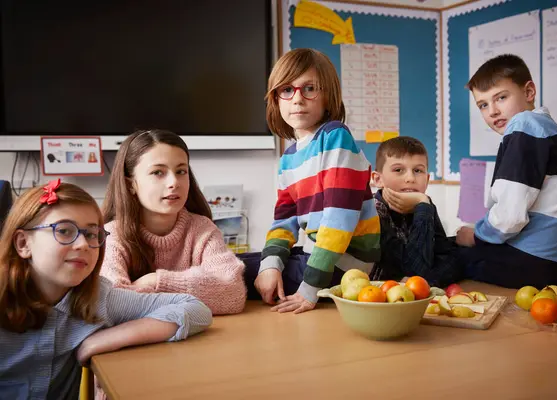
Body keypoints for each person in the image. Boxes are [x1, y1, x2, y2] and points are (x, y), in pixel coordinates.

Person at [0, 180, 211, 399]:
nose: (83, 244)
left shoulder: (98, 299)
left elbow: (196, 309)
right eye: (64, 230)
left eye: (92, 234)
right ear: (23, 243)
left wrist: (111, 337)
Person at [243, 48, 380, 314]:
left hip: (346, 267)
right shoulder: (289, 158)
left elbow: (339, 219)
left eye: (309, 88)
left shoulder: (335, 137)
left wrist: (310, 289)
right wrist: (271, 265)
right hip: (319, 258)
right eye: (286, 90)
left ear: (328, 96)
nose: (297, 99)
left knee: (232, 272)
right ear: (276, 98)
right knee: (242, 263)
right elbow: (284, 220)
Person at [456, 54, 557, 288]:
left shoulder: (525, 125)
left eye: (501, 97)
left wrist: (476, 235)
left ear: (529, 92)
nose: (492, 111)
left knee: (446, 253)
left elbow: (509, 217)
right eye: (483, 105)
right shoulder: (550, 132)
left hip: (536, 260)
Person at [101, 129, 246, 315]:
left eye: (181, 171)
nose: (173, 182)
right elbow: (113, 303)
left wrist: (156, 281)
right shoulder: (111, 235)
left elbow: (232, 293)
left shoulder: (202, 229)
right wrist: (199, 293)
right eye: (158, 172)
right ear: (131, 184)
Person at [370, 136, 462, 287]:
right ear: (377, 179)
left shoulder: (424, 204)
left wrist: (428, 281)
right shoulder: (373, 212)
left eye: (418, 170)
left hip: (413, 295)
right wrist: (422, 278)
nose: (410, 178)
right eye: (398, 170)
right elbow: (415, 270)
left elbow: (450, 259)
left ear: (427, 179)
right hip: (380, 300)